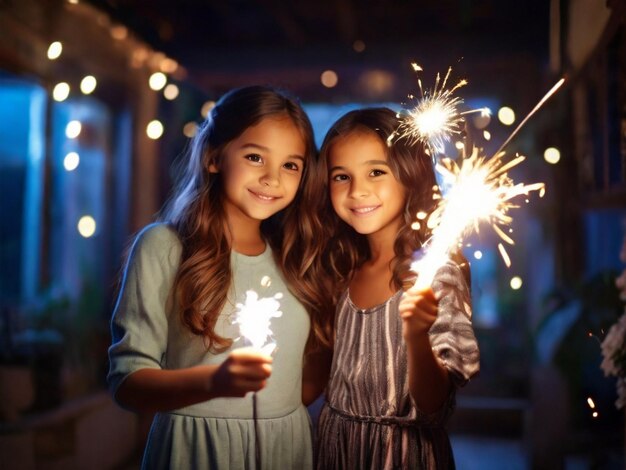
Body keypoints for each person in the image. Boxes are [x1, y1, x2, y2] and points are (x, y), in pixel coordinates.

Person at [107, 85, 332, 469]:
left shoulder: (299, 258)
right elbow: (128, 384)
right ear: (214, 156)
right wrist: (213, 383)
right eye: (255, 156)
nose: (272, 178)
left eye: (291, 165)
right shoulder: (164, 247)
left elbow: (308, 381)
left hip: (284, 451)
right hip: (194, 452)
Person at [314, 107, 480, 469]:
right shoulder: (340, 269)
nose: (358, 191)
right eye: (341, 176)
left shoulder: (438, 272)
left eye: (376, 171)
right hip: (334, 451)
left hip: (404, 456)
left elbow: (433, 406)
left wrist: (417, 333)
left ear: (411, 174)